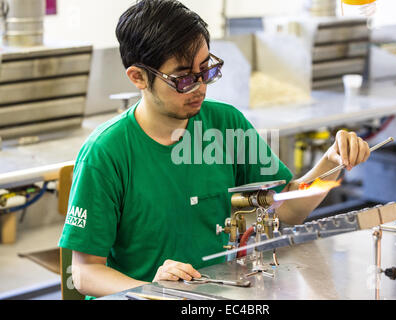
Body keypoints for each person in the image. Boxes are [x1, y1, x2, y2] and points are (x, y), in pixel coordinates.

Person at [58, 0, 371, 298]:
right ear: (138, 77)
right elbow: (85, 274)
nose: (200, 88)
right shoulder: (107, 153)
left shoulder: (225, 124)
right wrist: (150, 290)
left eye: (205, 70)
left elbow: (288, 208)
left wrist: (332, 162)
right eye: (182, 79)